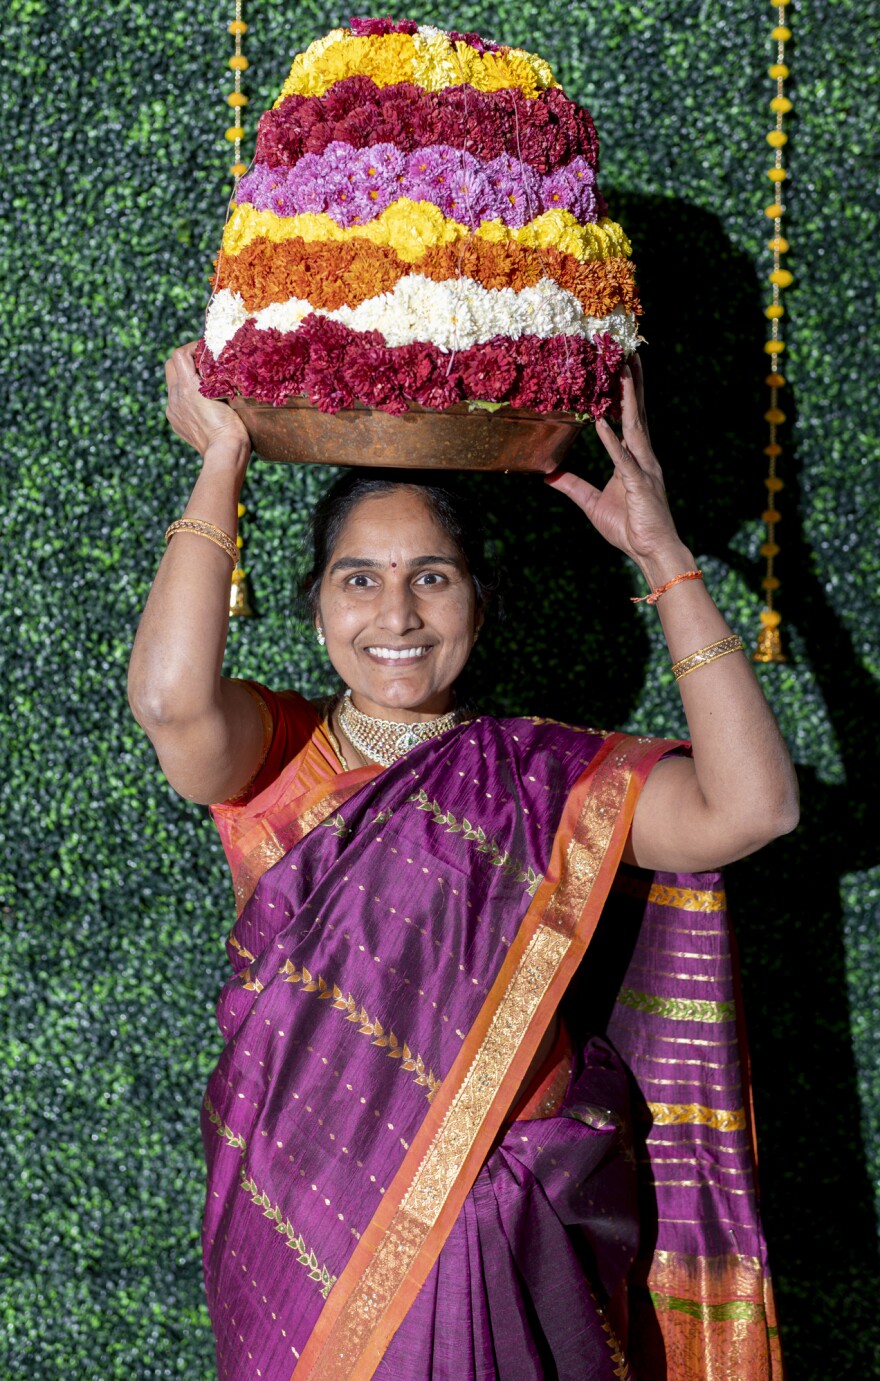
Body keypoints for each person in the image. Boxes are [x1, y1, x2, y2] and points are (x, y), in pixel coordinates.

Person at [128, 341, 799, 1381]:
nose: (394, 616)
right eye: (360, 579)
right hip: (305, 1235)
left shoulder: (540, 779)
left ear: (478, 606)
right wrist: (223, 458)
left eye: (430, 579)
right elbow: (170, 700)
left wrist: (661, 555)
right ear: (316, 605)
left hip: (505, 1239)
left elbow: (752, 807)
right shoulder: (275, 754)